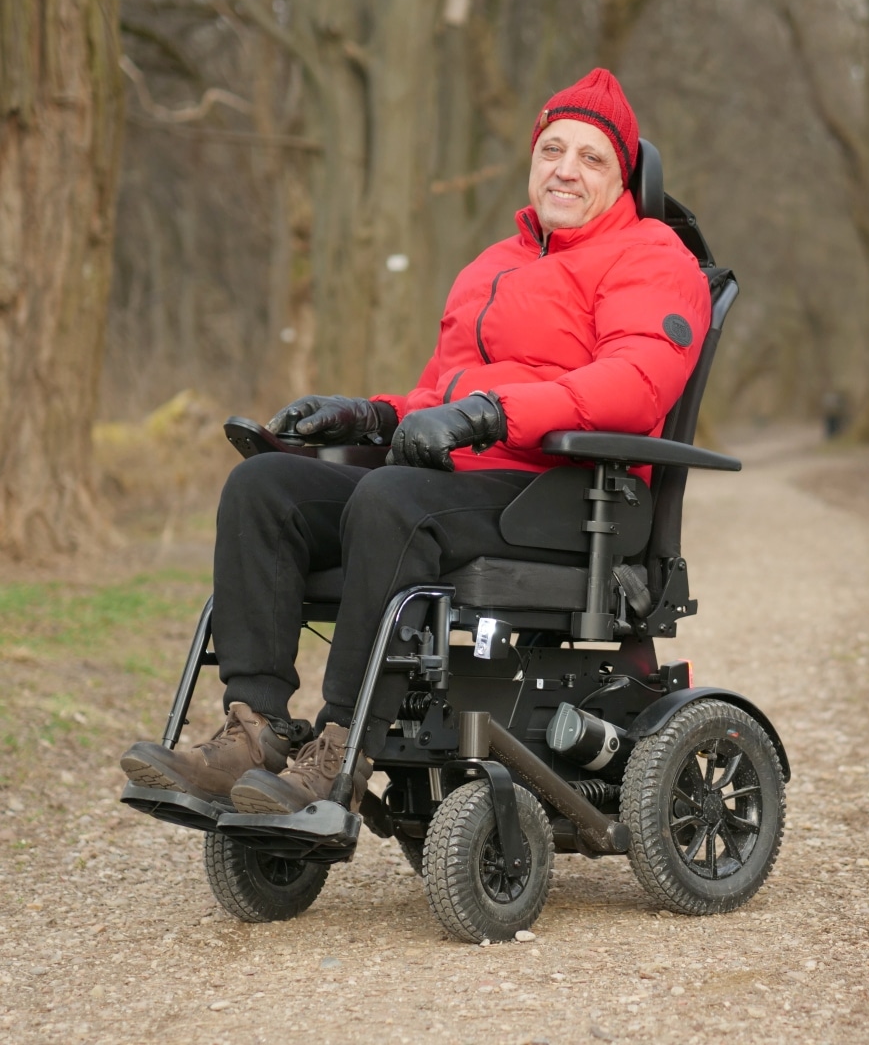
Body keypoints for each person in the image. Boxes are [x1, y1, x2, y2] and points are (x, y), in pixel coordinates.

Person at [120, 68, 712, 817]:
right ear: (532, 160)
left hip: (568, 493)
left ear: (622, 177)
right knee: (264, 487)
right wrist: (368, 417)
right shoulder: (493, 264)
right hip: (456, 481)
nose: (566, 169)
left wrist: (489, 415)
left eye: (591, 158)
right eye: (552, 150)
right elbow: (439, 395)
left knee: (392, 499)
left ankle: (341, 747)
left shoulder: (652, 258)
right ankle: (255, 732)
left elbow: (634, 384)